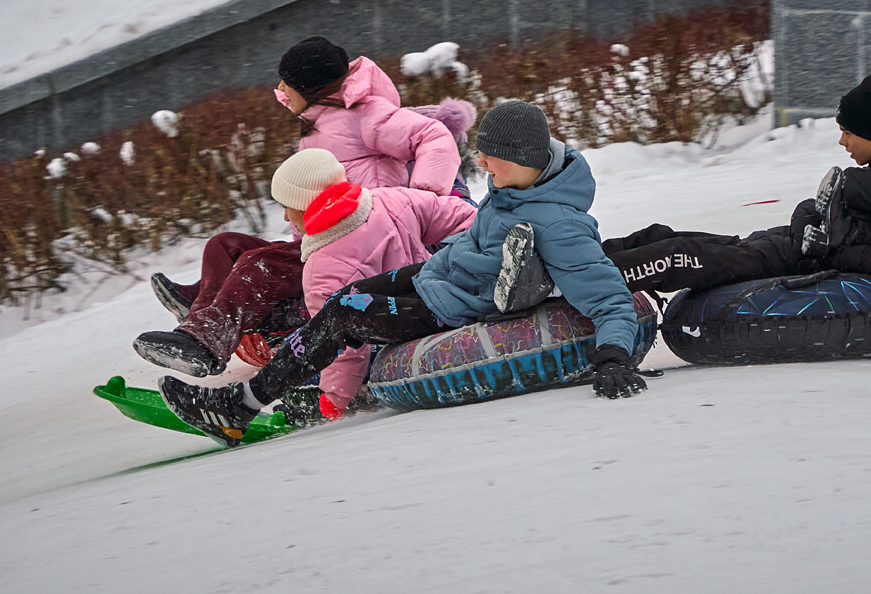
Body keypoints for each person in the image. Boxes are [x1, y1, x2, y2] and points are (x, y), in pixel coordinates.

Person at [159, 101, 648, 447]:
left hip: (448, 307)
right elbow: (464, 223)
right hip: (434, 275)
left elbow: (606, 296)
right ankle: (276, 385)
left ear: (521, 158)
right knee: (345, 299)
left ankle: (237, 407)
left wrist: (613, 357)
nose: (479, 162)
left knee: (344, 313)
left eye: (489, 155)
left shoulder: (559, 226)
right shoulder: (513, 190)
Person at [134, 37, 466, 377]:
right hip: (326, 239)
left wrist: (424, 197)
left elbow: (434, 136)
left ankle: (206, 342)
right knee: (225, 246)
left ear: (310, 86)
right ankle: (203, 311)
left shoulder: (364, 115)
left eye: (286, 83)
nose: (280, 89)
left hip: (367, 244)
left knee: (259, 264)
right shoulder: (318, 122)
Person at [601, 69, 871, 293]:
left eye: (848, 132)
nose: (842, 142)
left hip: (788, 261)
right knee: (665, 238)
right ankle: (590, 256)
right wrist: (814, 223)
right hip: (780, 244)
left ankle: (587, 281)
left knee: (678, 257)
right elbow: (830, 216)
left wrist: (831, 251)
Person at [257, 147, 475, 420]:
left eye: (286, 207)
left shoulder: (321, 268)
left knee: (300, 352)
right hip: (436, 304)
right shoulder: (391, 199)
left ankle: (298, 408)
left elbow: (343, 348)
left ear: (306, 204)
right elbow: (463, 217)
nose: (286, 218)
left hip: (391, 343)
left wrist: (333, 402)